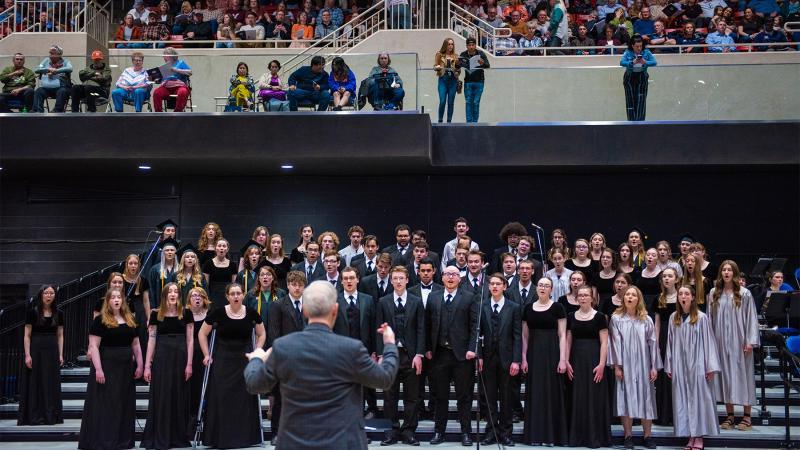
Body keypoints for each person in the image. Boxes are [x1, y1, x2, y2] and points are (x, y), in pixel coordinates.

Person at [244, 280, 397, 449]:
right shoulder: (352, 349)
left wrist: (256, 359)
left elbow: (255, 384)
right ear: (335, 310)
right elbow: (384, 379)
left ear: (305, 310)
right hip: (343, 443)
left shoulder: (283, 347)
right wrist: (389, 345)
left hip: (295, 443)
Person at [197, 283, 266, 449]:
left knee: (244, 398)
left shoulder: (251, 313)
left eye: (239, 293)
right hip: (222, 358)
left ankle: (245, 437)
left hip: (244, 358)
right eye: (232, 293)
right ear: (227, 296)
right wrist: (207, 354)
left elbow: (261, 333)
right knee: (222, 396)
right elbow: (202, 333)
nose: (236, 296)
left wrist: (257, 352)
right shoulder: (218, 313)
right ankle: (220, 437)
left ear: (243, 295)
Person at [78, 289, 143, 450]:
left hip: (125, 367)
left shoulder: (130, 319)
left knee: (123, 403)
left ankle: (122, 440)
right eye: (113, 297)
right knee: (107, 404)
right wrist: (98, 369)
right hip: (107, 365)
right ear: (108, 301)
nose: (116, 300)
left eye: (119, 297)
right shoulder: (100, 320)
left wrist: (141, 365)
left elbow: (136, 344)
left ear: (123, 301)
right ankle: (105, 440)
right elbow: (93, 346)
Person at [426, 265, 478, 445]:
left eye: (454, 274)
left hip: (463, 356)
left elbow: (474, 327)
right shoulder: (433, 297)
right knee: (441, 396)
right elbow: (428, 326)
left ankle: (466, 433)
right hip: (440, 354)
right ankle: (439, 432)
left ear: (460, 278)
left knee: (464, 396)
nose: (450, 277)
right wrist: (427, 348)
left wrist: (473, 348)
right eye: (447, 274)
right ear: (441, 277)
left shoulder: (469, 298)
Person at [665, 286, 721, 450]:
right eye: (680, 294)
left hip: (698, 365)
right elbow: (669, 343)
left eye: (686, 294)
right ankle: (690, 435)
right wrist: (669, 365)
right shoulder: (673, 318)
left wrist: (710, 366)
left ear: (693, 297)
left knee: (699, 400)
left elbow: (709, 343)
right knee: (683, 400)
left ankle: (699, 437)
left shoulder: (701, 318)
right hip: (680, 365)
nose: (683, 296)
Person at [375, 266, 425, 446]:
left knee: (412, 396)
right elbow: (379, 330)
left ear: (407, 280)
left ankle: (409, 431)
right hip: (390, 355)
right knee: (389, 395)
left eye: (401, 278)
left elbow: (421, 329)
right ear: (391, 280)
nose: (397, 281)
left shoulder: (416, 301)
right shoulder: (383, 301)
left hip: (410, 355)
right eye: (394, 278)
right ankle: (391, 430)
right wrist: (381, 354)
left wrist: (419, 354)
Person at [708, 260, 759, 432]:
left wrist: (750, 340)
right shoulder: (714, 293)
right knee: (726, 378)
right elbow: (709, 320)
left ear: (735, 273)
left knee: (744, 377)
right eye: (724, 270)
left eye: (730, 270)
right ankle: (730, 416)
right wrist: (709, 342)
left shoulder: (744, 293)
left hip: (740, 341)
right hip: (720, 341)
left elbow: (751, 318)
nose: (726, 272)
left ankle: (746, 416)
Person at [140, 283, 193, 450]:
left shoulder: (186, 312)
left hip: (180, 356)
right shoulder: (156, 314)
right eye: (170, 291)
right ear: (164, 295)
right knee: (162, 395)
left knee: (178, 395)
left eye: (176, 291)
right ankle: (160, 435)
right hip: (162, 357)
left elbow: (190, 340)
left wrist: (189, 363)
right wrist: (148, 365)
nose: (173, 293)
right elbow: (152, 340)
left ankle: (177, 436)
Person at [608, 286, 661, 450]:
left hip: (644, 363)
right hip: (625, 365)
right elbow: (614, 344)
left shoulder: (646, 319)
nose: (630, 297)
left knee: (647, 399)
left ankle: (648, 436)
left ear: (639, 299)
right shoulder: (616, 318)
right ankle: (628, 436)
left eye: (633, 295)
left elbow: (653, 344)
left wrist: (654, 366)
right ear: (623, 298)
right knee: (625, 397)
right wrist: (617, 366)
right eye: (627, 295)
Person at [520, 277, 568, 445]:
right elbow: (525, 336)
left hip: (552, 353)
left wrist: (563, 359)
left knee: (552, 392)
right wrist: (524, 358)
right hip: (534, 354)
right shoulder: (528, 309)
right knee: (536, 393)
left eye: (546, 285)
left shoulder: (558, 308)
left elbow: (562, 335)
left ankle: (551, 436)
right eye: (540, 285)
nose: (543, 287)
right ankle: (535, 435)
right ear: (536, 288)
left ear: (551, 289)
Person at [478, 274, 521, 446]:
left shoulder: (514, 307)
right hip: (488, 359)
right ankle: (491, 431)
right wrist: (479, 356)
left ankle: (506, 432)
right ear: (488, 287)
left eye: (498, 284)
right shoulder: (482, 306)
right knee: (489, 397)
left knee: (506, 397)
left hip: (507, 359)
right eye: (492, 284)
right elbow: (477, 333)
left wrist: (516, 360)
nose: (494, 286)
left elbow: (517, 336)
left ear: (504, 286)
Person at [566, 285, 611, 448]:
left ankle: (594, 437)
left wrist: (601, 364)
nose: (583, 298)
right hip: (576, 360)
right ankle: (578, 437)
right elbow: (568, 340)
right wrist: (566, 361)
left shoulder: (599, 317)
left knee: (594, 398)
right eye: (580, 295)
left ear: (592, 298)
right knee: (578, 397)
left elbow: (604, 342)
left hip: (594, 360)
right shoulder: (571, 316)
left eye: (586, 295)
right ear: (577, 298)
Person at [267, 270, 308, 443]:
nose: (297, 288)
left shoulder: (310, 305)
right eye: (294, 285)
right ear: (288, 285)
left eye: (300, 285)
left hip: (306, 358)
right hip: (285, 357)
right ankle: (276, 432)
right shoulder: (278, 305)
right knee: (280, 397)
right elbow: (274, 333)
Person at [18, 285, 64, 425]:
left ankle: (51, 415)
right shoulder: (32, 312)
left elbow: (60, 335)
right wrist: (27, 355)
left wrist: (60, 354)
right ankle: (34, 415)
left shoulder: (59, 313)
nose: (49, 295)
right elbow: (27, 336)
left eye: (51, 293)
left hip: (52, 351)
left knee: (50, 382)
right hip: (36, 350)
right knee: (35, 382)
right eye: (46, 293)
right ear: (41, 295)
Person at [653, 267, 679, 425]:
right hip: (663, 336)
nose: (667, 279)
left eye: (670, 276)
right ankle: (663, 414)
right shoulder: (659, 298)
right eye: (664, 277)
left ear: (676, 279)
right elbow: (656, 324)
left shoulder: (682, 296)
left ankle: (677, 414)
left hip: (678, 335)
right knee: (663, 377)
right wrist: (655, 345)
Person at [620, 34, 656, 121]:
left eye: (640, 46)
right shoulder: (628, 52)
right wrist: (632, 63)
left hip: (642, 78)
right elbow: (621, 62)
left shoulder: (646, 52)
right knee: (630, 101)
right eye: (637, 46)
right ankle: (631, 123)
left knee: (641, 100)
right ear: (632, 46)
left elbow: (654, 62)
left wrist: (645, 62)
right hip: (629, 78)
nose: (639, 48)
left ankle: (640, 124)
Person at [186, 286, 210, 420]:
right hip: (188, 355)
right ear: (189, 299)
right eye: (194, 295)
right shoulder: (184, 314)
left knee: (202, 385)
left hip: (204, 354)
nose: (197, 298)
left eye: (200, 295)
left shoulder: (209, 315)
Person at [33, 45, 72, 113]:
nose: (50, 55)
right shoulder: (46, 60)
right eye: (49, 53)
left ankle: (57, 111)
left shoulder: (65, 61)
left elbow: (70, 68)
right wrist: (48, 69)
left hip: (61, 87)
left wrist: (56, 71)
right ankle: (38, 111)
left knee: (62, 91)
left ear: (59, 55)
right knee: (39, 91)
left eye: (52, 54)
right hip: (48, 86)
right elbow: (36, 69)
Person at [152, 47, 192, 112]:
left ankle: (177, 112)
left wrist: (176, 70)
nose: (164, 57)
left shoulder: (180, 63)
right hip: (166, 87)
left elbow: (190, 72)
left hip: (179, 86)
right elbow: (161, 80)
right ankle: (159, 113)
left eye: (165, 55)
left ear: (172, 55)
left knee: (183, 92)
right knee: (157, 92)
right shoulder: (165, 66)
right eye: (164, 55)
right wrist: (157, 79)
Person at [459, 37, 490, 123]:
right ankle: (469, 123)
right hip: (468, 82)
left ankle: (475, 123)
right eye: (469, 45)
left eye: (473, 45)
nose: (471, 47)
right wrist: (458, 64)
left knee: (476, 103)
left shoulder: (480, 53)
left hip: (479, 81)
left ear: (475, 45)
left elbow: (488, 65)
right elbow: (458, 67)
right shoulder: (463, 54)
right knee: (468, 102)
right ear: (466, 46)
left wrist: (482, 63)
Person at [202, 238, 238, 308]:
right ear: (215, 248)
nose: (221, 248)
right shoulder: (208, 263)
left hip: (227, 297)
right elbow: (206, 284)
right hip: (212, 296)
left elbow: (233, 285)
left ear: (227, 249)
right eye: (219, 246)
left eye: (224, 246)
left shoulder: (233, 264)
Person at [434, 38, 460, 123]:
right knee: (442, 101)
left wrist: (456, 71)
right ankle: (440, 120)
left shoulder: (456, 56)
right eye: (449, 44)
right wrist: (438, 68)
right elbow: (434, 66)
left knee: (450, 102)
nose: (450, 46)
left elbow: (458, 70)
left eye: (452, 44)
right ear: (445, 45)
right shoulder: (439, 54)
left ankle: (449, 122)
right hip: (443, 80)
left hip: (453, 80)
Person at [147, 238, 178, 309]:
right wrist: (153, 307)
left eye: (172, 250)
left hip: (177, 308)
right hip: (160, 306)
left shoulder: (180, 269)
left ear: (175, 252)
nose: (169, 252)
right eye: (167, 250)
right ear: (163, 252)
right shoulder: (155, 269)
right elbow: (152, 290)